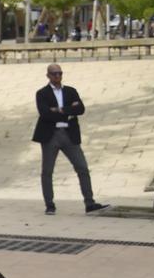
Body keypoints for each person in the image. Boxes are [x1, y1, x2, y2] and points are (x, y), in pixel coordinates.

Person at [32, 65, 107, 215]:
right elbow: (45, 113)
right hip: (51, 134)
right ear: (48, 75)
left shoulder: (70, 91)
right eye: (54, 74)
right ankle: (50, 204)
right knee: (47, 171)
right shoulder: (42, 93)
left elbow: (80, 109)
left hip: (69, 134)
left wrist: (60, 110)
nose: (57, 76)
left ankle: (89, 202)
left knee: (82, 167)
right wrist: (68, 111)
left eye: (59, 73)